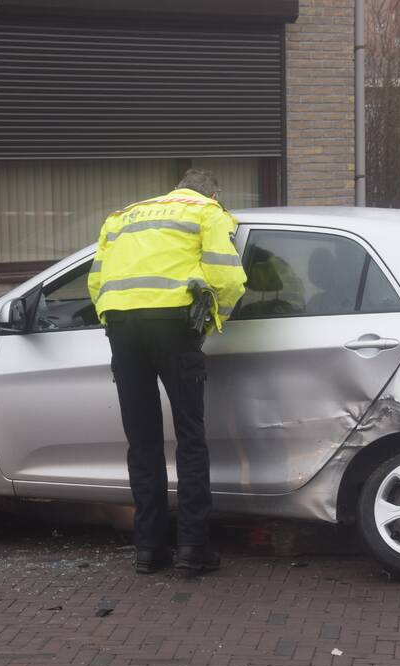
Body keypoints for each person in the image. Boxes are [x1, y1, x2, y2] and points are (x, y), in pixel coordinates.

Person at [87, 169, 246, 576]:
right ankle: (192, 548)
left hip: (123, 329)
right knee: (190, 438)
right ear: (212, 191)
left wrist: (113, 320)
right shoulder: (208, 212)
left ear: (175, 190)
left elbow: (95, 282)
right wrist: (210, 322)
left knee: (142, 443)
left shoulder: (123, 216)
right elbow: (228, 278)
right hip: (174, 326)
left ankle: (148, 549)